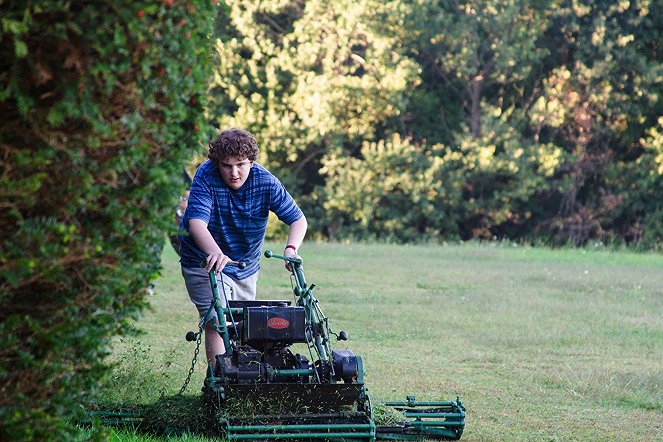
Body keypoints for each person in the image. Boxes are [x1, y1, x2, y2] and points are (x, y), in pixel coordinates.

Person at [178, 128, 307, 364]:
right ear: (217, 163)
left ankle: (243, 383)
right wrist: (215, 252)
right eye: (226, 165)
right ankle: (219, 387)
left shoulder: (266, 182)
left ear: (252, 162)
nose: (234, 173)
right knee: (218, 322)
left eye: (241, 164)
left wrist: (291, 249)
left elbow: (298, 219)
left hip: (245, 266)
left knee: (243, 327)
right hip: (204, 260)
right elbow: (196, 223)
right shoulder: (206, 175)